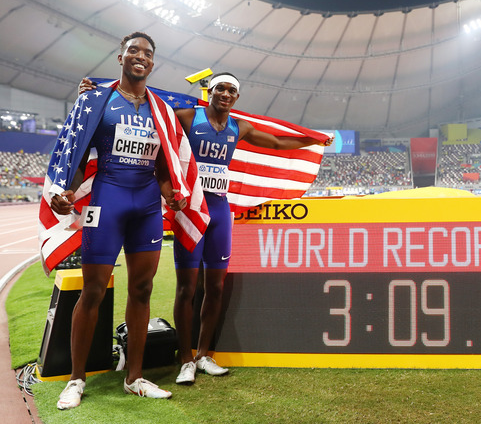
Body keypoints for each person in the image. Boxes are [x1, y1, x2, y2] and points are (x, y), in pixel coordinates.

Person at [79, 72, 331, 385]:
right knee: (186, 288)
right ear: (209, 92)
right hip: (191, 211)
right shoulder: (187, 116)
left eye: (231, 91)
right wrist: (100, 91)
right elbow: (150, 105)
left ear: (236, 98)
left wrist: (314, 139)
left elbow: (279, 142)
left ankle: (204, 355)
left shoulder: (240, 127)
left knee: (216, 287)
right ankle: (186, 359)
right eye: (220, 89)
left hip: (220, 212)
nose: (225, 94)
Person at [52, 32, 192, 410]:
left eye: (148, 52)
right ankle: (76, 379)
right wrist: (67, 190)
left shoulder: (160, 110)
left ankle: (135, 377)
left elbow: (164, 166)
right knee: (94, 290)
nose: (140, 56)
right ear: (121, 57)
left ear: (152, 62)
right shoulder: (100, 101)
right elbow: (79, 158)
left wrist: (171, 193)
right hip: (108, 200)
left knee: (142, 290)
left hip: (146, 205)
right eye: (134, 50)